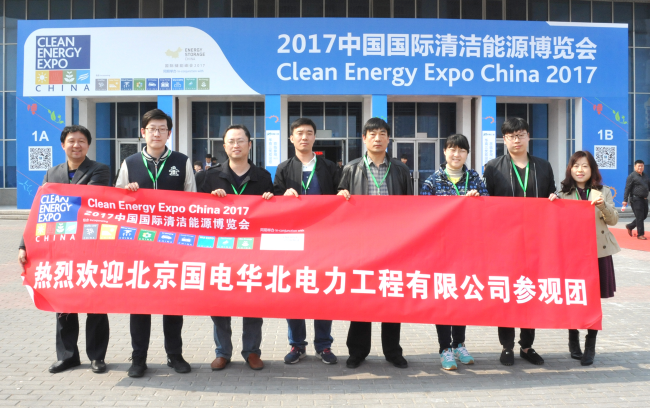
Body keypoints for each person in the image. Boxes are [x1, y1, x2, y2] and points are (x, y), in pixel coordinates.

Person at [18, 125, 110, 374]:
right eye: (71, 141)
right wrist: (24, 245)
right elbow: (41, 210)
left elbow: (90, 200)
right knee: (63, 304)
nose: (76, 145)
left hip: (91, 247)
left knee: (95, 303)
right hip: (59, 249)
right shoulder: (52, 172)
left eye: (81, 141)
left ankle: (97, 356)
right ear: (63, 145)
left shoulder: (100, 169)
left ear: (88, 145)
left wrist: (59, 201)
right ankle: (67, 356)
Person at [115, 109, 196, 378]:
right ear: (143, 132)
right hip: (139, 247)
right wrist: (127, 194)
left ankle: (175, 355)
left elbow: (192, 201)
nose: (157, 133)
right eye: (152, 128)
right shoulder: (130, 162)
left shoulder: (182, 161)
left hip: (174, 247)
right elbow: (117, 203)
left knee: (173, 305)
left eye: (162, 129)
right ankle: (139, 358)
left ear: (169, 133)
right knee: (140, 305)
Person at [337, 117, 412, 369]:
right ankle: (357, 351)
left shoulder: (400, 170)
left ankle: (393, 351)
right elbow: (339, 204)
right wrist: (340, 195)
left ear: (388, 138)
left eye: (382, 134)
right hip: (361, 245)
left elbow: (411, 207)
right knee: (362, 296)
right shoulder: (351, 169)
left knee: (391, 295)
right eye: (372, 134)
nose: (377, 138)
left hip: (393, 244)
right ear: (364, 138)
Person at [483, 117, 557, 367]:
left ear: (528, 137)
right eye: (511, 136)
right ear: (504, 139)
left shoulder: (543, 166)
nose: (517, 140)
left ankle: (527, 345)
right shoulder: (493, 167)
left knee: (529, 292)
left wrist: (554, 198)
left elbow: (552, 195)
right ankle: (506, 346)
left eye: (521, 135)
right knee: (506, 292)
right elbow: (486, 203)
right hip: (504, 243)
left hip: (536, 242)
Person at [200, 124, 273, 372]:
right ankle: (222, 352)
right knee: (219, 303)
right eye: (231, 141)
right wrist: (211, 200)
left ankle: (252, 351)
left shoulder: (263, 177)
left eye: (241, 141)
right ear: (224, 146)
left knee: (252, 303)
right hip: (219, 251)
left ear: (249, 145)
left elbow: (273, 214)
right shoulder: (209, 177)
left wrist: (269, 200)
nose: (236, 145)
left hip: (253, 251)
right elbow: (197, 213)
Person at [273, 118, 340, 365]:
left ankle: (324, 345)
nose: (304, 137)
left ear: (314, 138)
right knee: (293, 292)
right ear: (291, 138)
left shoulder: (329, 166)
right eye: (299, 133)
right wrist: (282, 195)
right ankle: (297, 345)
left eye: (309, 133)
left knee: (323, 290)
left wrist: (343, 194)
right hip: (293, 239)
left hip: (324, 238)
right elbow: (273, 197)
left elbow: (341, 193)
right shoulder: (283, 168)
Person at [420, 134, 488, 370]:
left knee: (462, 296)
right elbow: (424, 215)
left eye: (461, 150)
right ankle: (444, 348)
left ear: (467, 153)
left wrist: (478, 200)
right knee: (443, 297)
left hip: (468, 249)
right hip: (441, 250)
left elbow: (489, 209)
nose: (456, 154)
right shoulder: (432, 182)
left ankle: (459, 344)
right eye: (452, 149)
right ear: (444, 152)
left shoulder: (475, 179)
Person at [555, 151, 620, 366]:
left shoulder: (603, 191)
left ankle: (590, 345)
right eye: (576, 166)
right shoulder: (562, 193)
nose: (580, 170)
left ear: (592, 169)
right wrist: (551, 203)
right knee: (573, 297)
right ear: (570, 169)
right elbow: (554, 222)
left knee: (593, 301)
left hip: (598, 253)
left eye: (585, 166)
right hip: (572, 255)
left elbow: (613, 220)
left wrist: (602, 205)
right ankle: (573, 340)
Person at [622, 160, 650, 240]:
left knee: (644, 215)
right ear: (635, 167)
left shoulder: (645, 176)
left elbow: (648, 186)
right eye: (639, 166)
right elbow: (627, 189)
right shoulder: (631, 176)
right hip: (635, 199)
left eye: (642, 166)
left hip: (644, 199)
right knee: (640, 217)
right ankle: (640, 234)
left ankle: (630, 226)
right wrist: (625, 200)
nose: (640, 167)